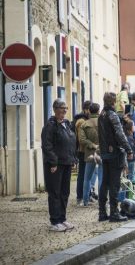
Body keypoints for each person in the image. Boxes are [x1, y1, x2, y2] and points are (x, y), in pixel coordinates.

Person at [41, 99, 77, 232]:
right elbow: (47, 146)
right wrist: (53, 162)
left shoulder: (66, 124)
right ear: (55, 109)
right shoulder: (50, 126)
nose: (64, 112)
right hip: (55, 165)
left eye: (65, 109)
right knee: (54, 192)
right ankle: (55, 221)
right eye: (62, 109)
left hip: (66, 162)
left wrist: (73, 159)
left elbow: (71, 143)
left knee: (64, 192)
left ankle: (62, 218)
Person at [98, 92, 132, 222]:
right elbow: (120, 134)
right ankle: (114, 213)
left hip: (105, 153)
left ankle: (102, 212)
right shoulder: (112, 115)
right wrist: (128, 149)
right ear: (114, 102)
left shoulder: (102, 115)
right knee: (114, 184)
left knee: (104, 183)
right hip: (114, 154)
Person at [78, 103, 103, 208]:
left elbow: (82, 140)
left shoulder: (84, 124)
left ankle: (85, 201)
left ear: (89, 111)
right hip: (102, 153)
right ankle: (102, 201)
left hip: (89, 153)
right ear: (98, 111)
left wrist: (92, 145)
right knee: (102, 178)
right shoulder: (103, 122)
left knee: (87, 178)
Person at [72, 100, 91, 205]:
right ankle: (80, 197)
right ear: (85, 109)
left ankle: (87, 195)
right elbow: (81, 139)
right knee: (82, 174)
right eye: (89, 109)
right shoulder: (81, 121)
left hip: (87, 150)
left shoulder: (86, 120)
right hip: (82, 151)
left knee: (87, 175)